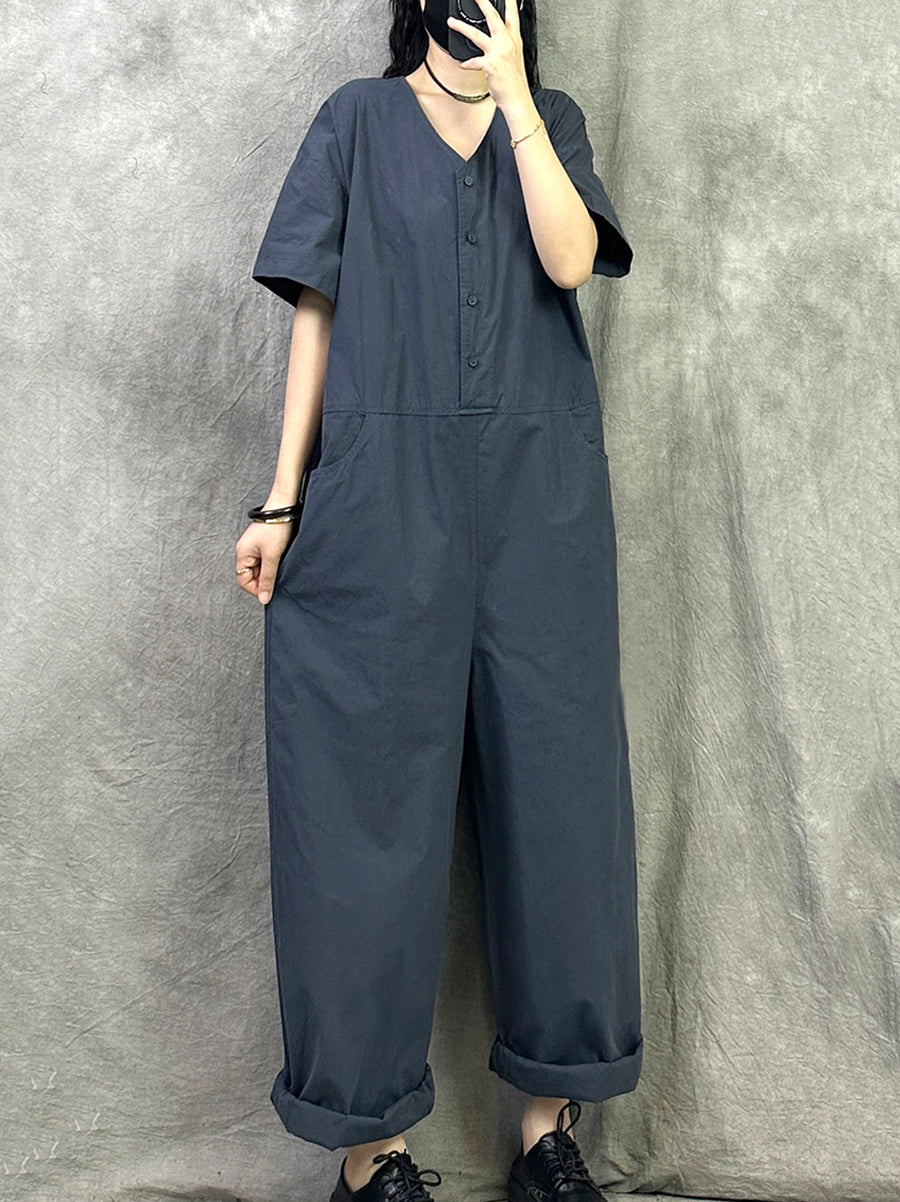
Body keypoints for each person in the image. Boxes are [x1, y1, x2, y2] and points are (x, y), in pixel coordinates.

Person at [235, 0, 642, 1198]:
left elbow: (568, 260)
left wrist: (516, 100)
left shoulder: (550, 119)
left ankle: (547, 1133)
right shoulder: (355, 123)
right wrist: (281, 498)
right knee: (362, 808)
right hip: (379, 502)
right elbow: (317, 311)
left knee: (562, 803)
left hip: (541, 502)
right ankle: (372, 1153)